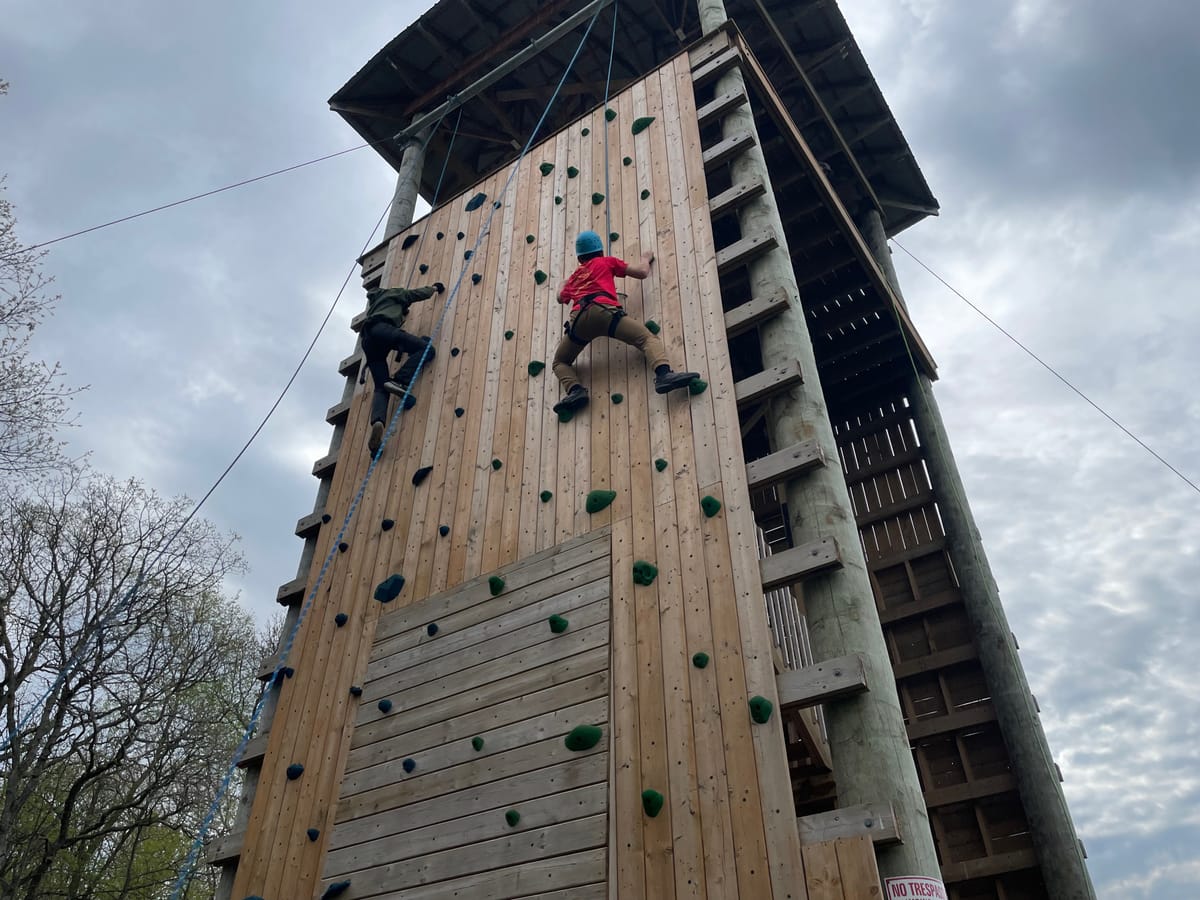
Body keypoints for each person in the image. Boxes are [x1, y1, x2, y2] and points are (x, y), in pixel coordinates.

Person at [552, 231, 699, 416]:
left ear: (580, 257)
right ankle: (663, 374)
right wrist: (646, 258)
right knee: (646, 339)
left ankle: (575, 391)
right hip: (604, 312)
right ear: (600, 251)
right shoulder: (606, 262)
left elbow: (560, 297)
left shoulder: (575, 277)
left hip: (579, 320)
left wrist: (562, 284)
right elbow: (642, 272)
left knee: (560, 362)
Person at [352, 281, 444, 455]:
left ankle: (378, 421)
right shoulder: (395, 293)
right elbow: (416, 294)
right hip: (384, 330)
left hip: (368, 341)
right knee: (426, 349)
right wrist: (433, 288)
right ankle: (400, 381)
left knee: (381, 386)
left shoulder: (376, 303)